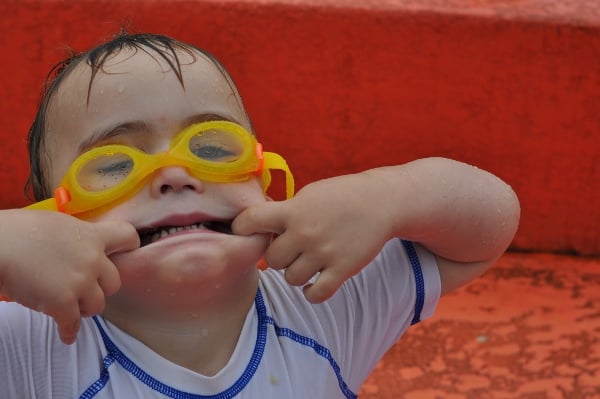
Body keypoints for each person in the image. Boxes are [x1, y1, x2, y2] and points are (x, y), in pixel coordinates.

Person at [0, 32, 520, 398]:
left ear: (266, 180)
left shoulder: (320, 302)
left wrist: (390, 194)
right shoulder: (33, 346)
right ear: (52, 227)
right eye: (113, 164)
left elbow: (490, 223)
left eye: (212, 146)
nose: (175, 174)